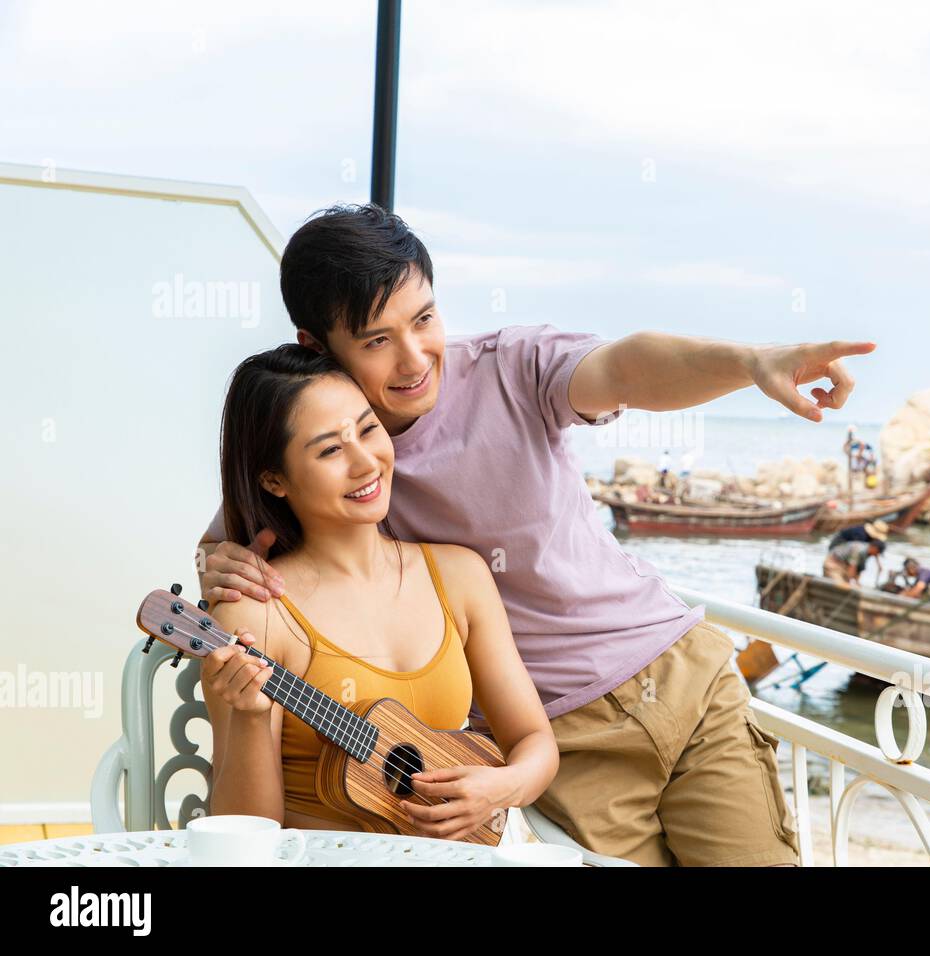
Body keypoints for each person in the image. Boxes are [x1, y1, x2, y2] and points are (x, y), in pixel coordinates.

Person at [196, 203, 876, 867]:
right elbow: (235, 535)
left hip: (680, 671)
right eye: (377, 341)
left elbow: (628, 369)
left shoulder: (509, 367)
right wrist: (215, 561)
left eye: (424, 319)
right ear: (317, 346)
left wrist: (751, 363)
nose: (414, 360)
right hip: (564, 742)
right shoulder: (323, 454)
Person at [202, 345, 558, 839]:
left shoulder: (459, 576)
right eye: (330, 449)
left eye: (368, 430)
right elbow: (247, 833)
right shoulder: (254, 613)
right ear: (274, 479)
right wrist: (249, 718)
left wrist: (502, 787)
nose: (365, 462)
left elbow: (534, 740)